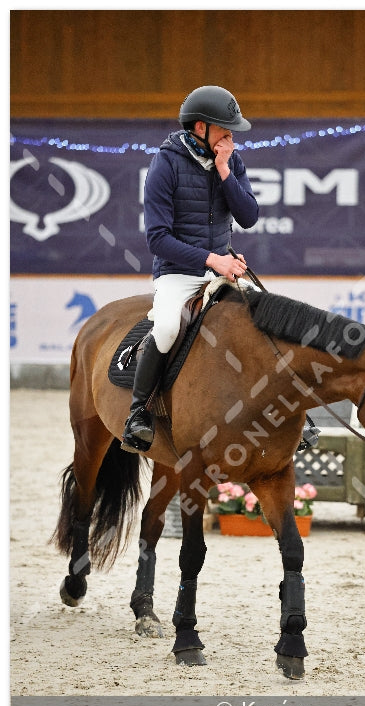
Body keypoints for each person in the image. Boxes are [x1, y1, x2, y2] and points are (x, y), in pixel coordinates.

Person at [121, 85, 258, 453]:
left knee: (266, 317)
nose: (231, 137)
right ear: (200, 128)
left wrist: (226, 171)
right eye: (225, 130)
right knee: (166, 328)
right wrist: (214, 260)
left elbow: (248, 217)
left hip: (222, 268)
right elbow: (157, 239)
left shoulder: (232, 160)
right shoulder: (165, 164)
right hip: (177, 272)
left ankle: (296, 415)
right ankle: (138, 414)